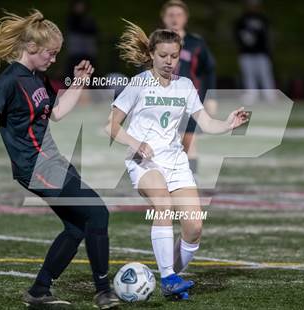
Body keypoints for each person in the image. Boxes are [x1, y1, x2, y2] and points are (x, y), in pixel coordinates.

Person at [0, 10, 119, 309]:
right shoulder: (9, 81)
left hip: (53, 161)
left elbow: (58, 113)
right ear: (32, 48)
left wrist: (78, 83)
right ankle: (104, 291)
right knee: (98, 213)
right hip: (35, 167)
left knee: (77, 228)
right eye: (50, 53)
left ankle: (39, 291)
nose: (53, 59)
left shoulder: (38, 77)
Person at [106, 20, 248, 300]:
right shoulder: (138, 83)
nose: (169, 62)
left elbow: (206, 123)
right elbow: (110, 126)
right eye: (163, 56)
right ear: (151, 54)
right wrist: (136, 143)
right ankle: (169, 277)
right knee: (163, 203)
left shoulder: (185, 86)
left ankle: (170, 278)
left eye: (174, 56)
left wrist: (228, 124)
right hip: (143, 162)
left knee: (194, 227)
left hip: (176, 162)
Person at [161, 0, 217, 175]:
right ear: (163, 17)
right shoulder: (155, 42)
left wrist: (211, 97)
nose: (174, 19)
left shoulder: (195, 43)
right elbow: (143, 70)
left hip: (189, 101)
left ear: (185, 18)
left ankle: (191, 183)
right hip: (162, 100)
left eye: (179, 15)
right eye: (170, 15)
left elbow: (208, 70)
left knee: (190, 142)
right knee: (165, 143)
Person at [234, 0, 275, 100]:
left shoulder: (263, 19)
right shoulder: (242, 20)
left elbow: (267, 36)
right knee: (248, 75)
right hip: (246, 53)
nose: (253, 7)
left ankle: (269, 95)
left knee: (265, 74)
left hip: (262, 52)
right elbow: (237, 35)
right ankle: (252, 95)